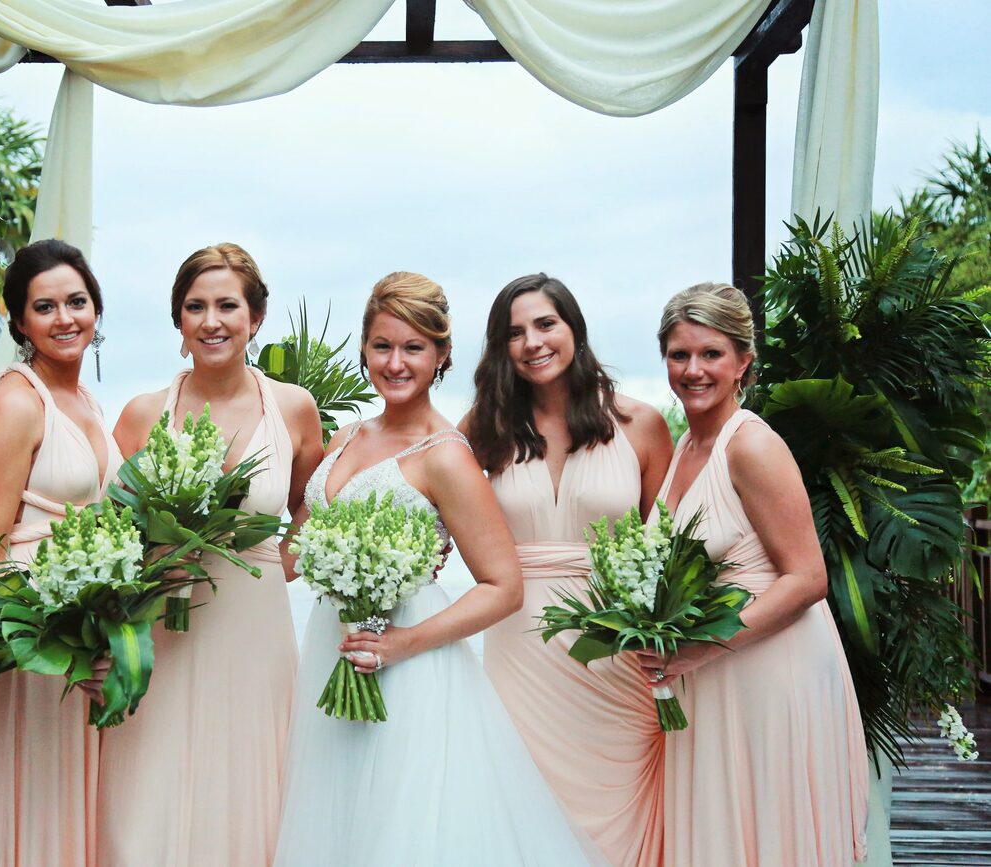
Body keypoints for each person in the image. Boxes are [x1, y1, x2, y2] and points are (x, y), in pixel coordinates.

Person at [274, 272, 603, 867]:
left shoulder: (447, 456)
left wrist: (402, 643)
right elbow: (293, 555)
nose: (395, 363)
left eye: (414, 347)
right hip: (334, 643)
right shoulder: (344, 437)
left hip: (410, 659)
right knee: (337, 817)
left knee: (402, 824)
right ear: (364, 349)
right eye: (382, 346)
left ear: (442, 354)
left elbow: (503, 587)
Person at [98, 243, 323, 866]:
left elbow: (311, 503)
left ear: (256, 317)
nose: (211, 321)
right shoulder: (142, 415)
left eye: (227, 306)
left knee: (252, 783)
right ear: (178, 321)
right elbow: (112, 528)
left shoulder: (293, 408)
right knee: (151, 787)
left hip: (256, 628)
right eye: (195, 307)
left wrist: (278, 564)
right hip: (165, 629)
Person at [643, 282, 869, 865]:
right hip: (710, 676)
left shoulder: (752, 447)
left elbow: (808, 578)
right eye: (679, 354)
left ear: (743, 361)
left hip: (769, 672)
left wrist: (699, 648)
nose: (693, 370)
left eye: (711, 354)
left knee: (768, 831)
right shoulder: (686, 446)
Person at [463, 273, 673, 867]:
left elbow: (672, 548)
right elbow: (430, 509)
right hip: (518, 646)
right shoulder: (484, 429)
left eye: (545, 324)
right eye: (514, 333)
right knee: (522, 802)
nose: (532, 342)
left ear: (574, 329)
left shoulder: (641, 424)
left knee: (621, 806)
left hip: (616, 650)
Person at [0, 239, 123, 867]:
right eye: (44, 307)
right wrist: (50, 639)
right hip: (30, 640)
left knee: (68, 802)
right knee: (29, 801)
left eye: (77, 302)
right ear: (21, 323)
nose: (65, 318)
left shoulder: (89, 404)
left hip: (82, 630)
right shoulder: (14, 402)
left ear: (96, 308)